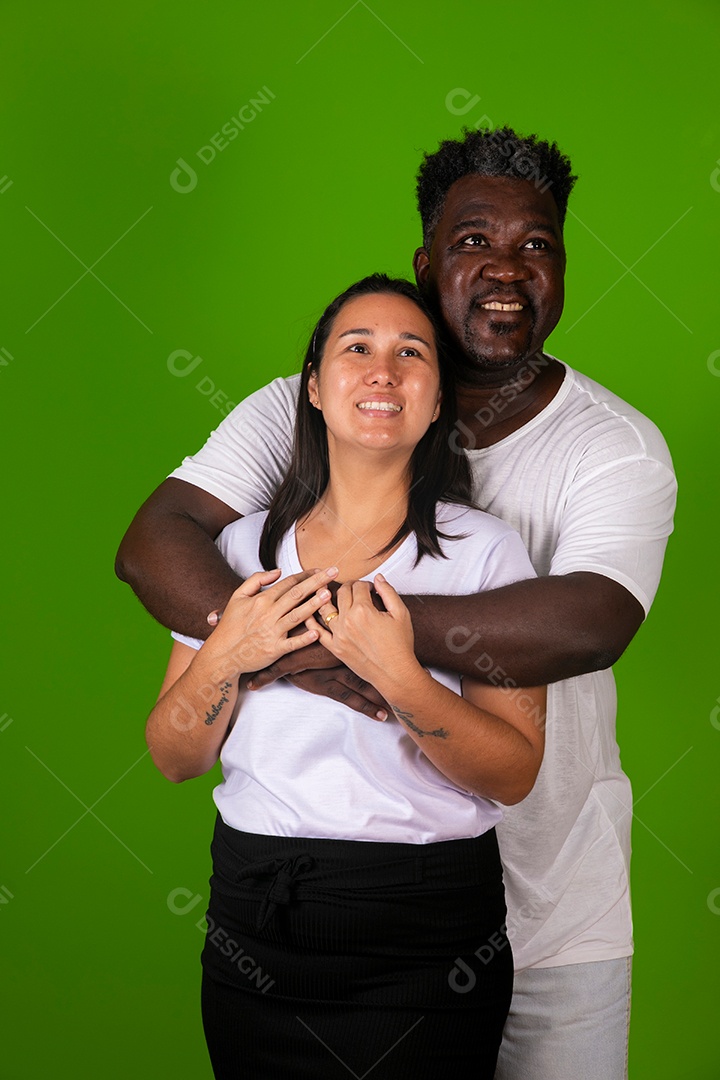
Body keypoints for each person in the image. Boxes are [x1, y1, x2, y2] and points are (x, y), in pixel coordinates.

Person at [117, 127, 677, 1080]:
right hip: (284, 913)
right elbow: (154, 545)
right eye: (474, 241)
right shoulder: (293, 422)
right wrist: (273, 641)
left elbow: (590, 623)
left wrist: (357, 641)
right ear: (427, 263)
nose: (507, 268)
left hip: (549, 908)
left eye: (537, 245)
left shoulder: (606, 450)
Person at [147, 274, 546, 1078]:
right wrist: (231, 650)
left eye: (412, 353)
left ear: (438, 402)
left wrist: (400, 677)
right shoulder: (236, 552)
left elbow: (512, 773)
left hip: (426, 938)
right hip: (257, 924)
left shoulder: (488, 553)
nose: (382, 371)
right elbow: (174, 757)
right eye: (356, 348)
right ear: (313, 388)